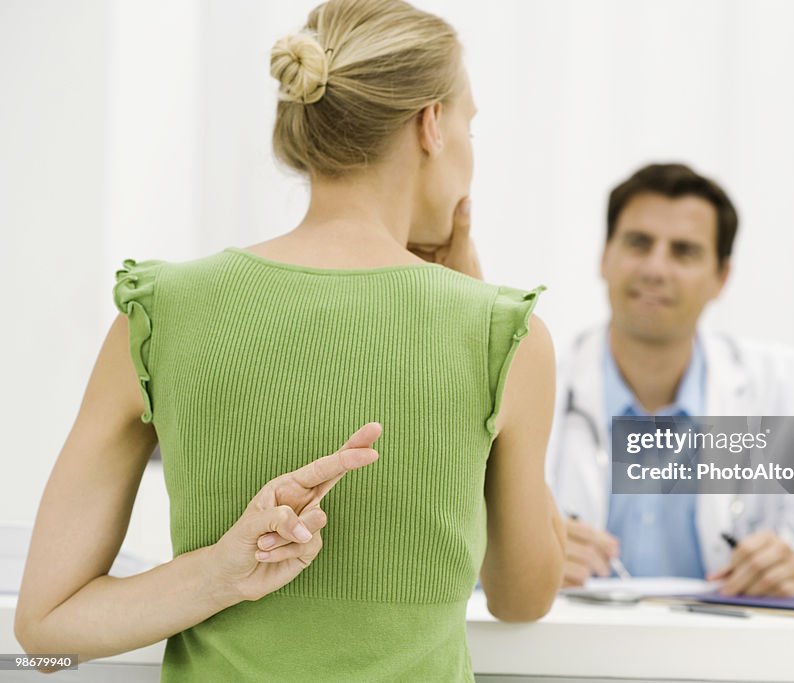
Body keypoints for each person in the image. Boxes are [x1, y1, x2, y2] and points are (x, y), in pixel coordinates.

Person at [14, 1, 566, 680]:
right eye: (470, 125)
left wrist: (218, 575)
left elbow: (44, 635)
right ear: (431, 125)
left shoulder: (156, 314)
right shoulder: (505, 334)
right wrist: (483, 303)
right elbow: (522, 596)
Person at [548, 163, 794, 597]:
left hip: (728, 655)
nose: (656, 268)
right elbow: (453, 535)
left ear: (721, 278)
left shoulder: (780, 382)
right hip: (567, 654)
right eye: (639, 244)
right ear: (605, 257)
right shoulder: (536, 381)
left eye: (684, 252)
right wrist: (517, 553)